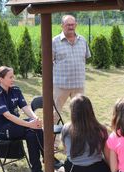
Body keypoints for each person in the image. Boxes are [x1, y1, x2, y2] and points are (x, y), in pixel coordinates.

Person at [0, 66, 45, 172]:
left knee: (33, 130)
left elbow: (25, 107)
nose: (13, 79)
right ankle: (45, 162)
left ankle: (38, 168)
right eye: (10, 77)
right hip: (3, 129)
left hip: (16, 125)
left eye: (13, 76)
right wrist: (30, 124)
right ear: (1, 79)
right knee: (32, 128)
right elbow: (8, 116)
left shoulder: (15, 90)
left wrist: (35, 119)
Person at [52, 15, 91, 148]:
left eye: (73, 24)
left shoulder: (83, 41)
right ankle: (53, 143)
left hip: (78, 86)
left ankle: (79, 141)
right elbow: (48, 62)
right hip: (60, 85)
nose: (71, 27)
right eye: (68, 24)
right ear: (62, 25)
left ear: (76, 25)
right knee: (54, 114)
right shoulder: (54, 41)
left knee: (80, 114)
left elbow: (85, 59)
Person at [61, 94, 115, 172]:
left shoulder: (66, 128)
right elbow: (107, 156)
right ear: (90, 110)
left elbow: (66, 151)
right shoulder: (100, 129)